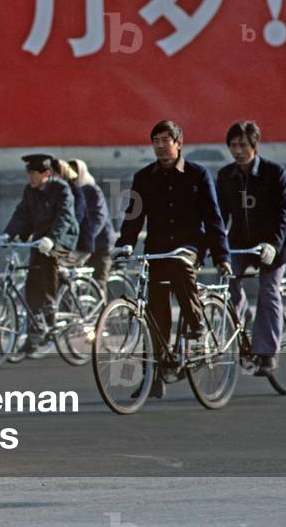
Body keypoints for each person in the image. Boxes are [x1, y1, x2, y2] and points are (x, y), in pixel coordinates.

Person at [115, 120, 231, 399]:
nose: (161, 146)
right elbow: (134, 216)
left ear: (179, 143)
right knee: (156, 314)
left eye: (166, 140)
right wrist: (125, 245)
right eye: (156, 141)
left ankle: (197, 326)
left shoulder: (197, 174)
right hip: (157, 249)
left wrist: (221, 256)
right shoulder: (144, 177)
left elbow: (213, 219)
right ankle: (152, 379)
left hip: (188, 248)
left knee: (180, 266)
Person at [215, 120, 286, 376]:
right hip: (240, 244)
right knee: (226, 280)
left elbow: (283, 214)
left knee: (269, 292)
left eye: (243, 145)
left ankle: (267, 353)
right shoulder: (226, 175)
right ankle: (242, 321)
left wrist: (273, 244)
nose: (237, 151)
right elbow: (220, 216)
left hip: (272, 246)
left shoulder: (274, 173)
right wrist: (215, 244)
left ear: (254, 146)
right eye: (233, 145)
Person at [0, 153, 79, 352]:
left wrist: (52, 238)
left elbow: (64, 217)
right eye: (29, 173)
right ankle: (33, 337)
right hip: (40, 239)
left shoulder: (61, 189)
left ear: (47, 173)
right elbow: (22, 215)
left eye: (34, 174)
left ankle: (50, 306)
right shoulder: (29, 191)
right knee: (32, 280)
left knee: (47, 259)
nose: (30, 178)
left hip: (63, 238)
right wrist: (7, 235)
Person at [68, 159, 117, 294]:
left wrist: (86, 237)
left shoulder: (93, 190)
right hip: (83, 244)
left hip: (101, 244)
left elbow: (99, 217)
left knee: (98, 282)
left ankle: (104, 313)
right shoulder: (70, 192)